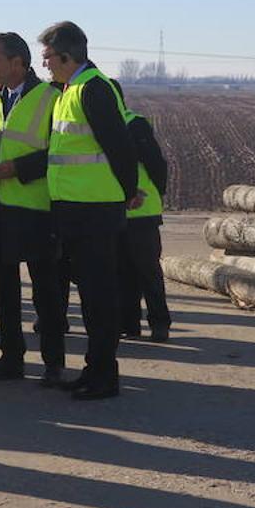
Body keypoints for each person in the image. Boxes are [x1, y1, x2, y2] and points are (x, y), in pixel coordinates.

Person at [38, 22, 142, 400]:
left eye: (48, 57)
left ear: (67, 56)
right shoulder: (70, 89)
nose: (45, 64)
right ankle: (93, 369)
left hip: (95, 210)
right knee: (91, 299)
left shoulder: (95, 88)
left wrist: (128, 192)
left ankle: (105, 376)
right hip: (75, 210)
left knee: (100, 297)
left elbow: (120, 145)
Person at [0, 32, 65, 385]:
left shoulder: (50, 97)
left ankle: (54, 363)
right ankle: (11, 358)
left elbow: (57, 151)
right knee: (4, 289)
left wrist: (15, 169)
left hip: (35, 207)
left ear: (17, 63)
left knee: (46, 290)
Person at [111, 80, 172, 342]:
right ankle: (129, 323)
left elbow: (157, 164)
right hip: (112, 211)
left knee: (147, 271)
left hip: (141, 211)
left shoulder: (134, 124)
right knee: (122, 271)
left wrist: (156, 193)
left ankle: (159, 323)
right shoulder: (100, 129)